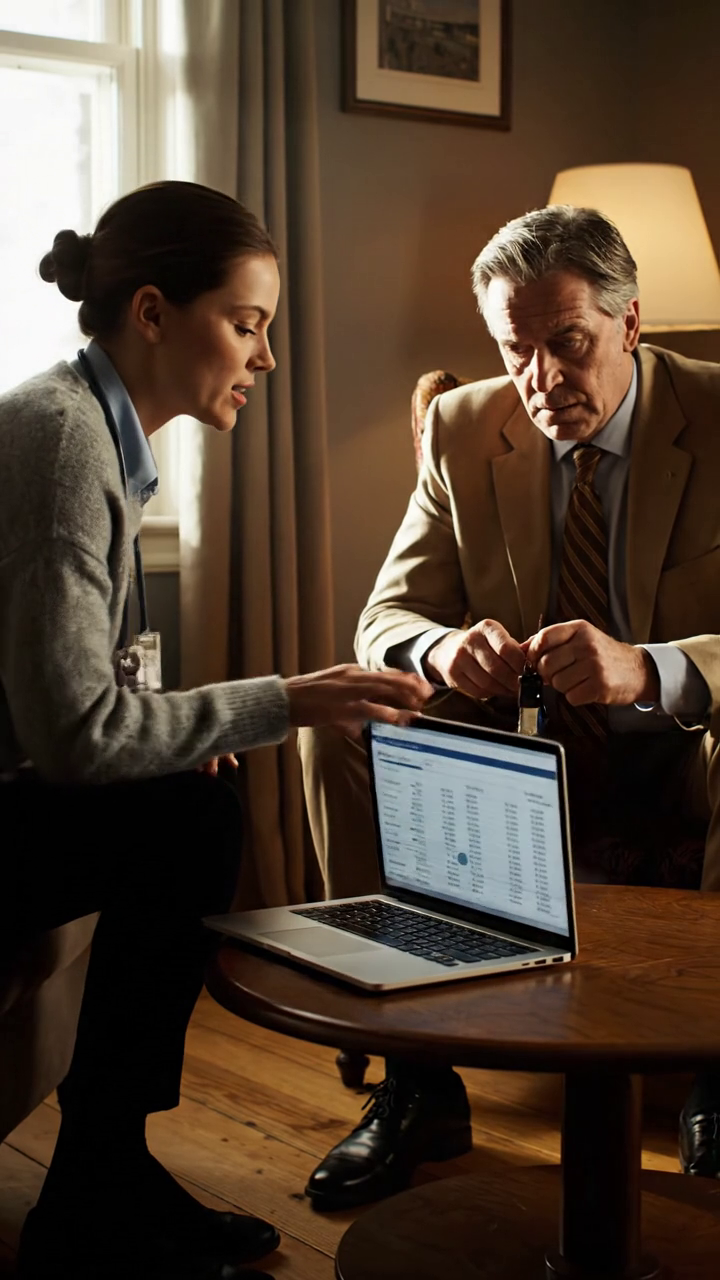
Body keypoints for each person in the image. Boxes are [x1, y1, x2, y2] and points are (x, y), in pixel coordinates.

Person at [0, 180, 432, 1280]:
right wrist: (286, 697)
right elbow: (78, 740)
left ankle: (105, 1166)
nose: (267, 357)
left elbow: (81, 695)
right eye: (248, 324)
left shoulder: (85, 423)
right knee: (190, 818)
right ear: (151, 313)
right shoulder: (64, 446)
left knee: (186, 798)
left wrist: (185, 728)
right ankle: (99, 1178)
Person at [298, 203, 720, 1212]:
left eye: (566, 344)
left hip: (691, 743)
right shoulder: (461, 425)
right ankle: (417, 1079)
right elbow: (383, 618)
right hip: (524, 744)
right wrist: (443, 646)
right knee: (346, 717)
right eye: (514, 348)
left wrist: (646, 666)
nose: (539, 381)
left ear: (629, 322)